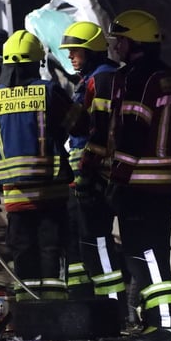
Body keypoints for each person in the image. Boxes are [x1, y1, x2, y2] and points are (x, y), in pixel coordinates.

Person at [87, 10, 171, 341]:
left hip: (141, 181)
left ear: (134, 42)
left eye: (120, 40)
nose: (115, 46)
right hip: (164, 181)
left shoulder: (137, 78)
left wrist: (117, 178)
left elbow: (131, 130)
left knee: (142, 252)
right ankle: (159, 320)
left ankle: (165, 322)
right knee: (154, 251)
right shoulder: (166, 76)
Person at [0, 31, 84, 302]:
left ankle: (27, 313)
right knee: (50, 250)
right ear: (37, 63)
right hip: (52, 193)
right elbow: (81, 125)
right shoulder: (49, 92)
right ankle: (53, 312)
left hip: (15, 196)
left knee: (23, 252)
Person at [59, 21, 125, 302]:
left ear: (93, 51)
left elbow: (97, 129)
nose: (71, 56)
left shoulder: (104, 79)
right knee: (81, 237)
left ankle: (112, 304)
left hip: (95, 171)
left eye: (76, 51)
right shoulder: (90, 79)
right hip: (83, 171)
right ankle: (84, 302)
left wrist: (88, 174)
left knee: (97, 237)